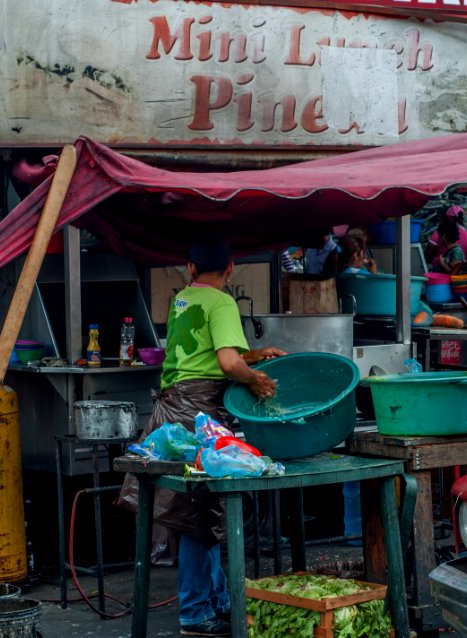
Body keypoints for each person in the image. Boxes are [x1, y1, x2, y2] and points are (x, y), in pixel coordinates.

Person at [118, 234, 285, 637]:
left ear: (190, 269)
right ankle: (196, 613)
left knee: (200, 511)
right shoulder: (222, 302)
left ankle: (218, 603)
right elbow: (226, 364)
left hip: (173, 410)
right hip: (199, 414)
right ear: (230, 268)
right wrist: (256, 379)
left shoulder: (183, 299)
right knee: (198, 515)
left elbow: (204, 358)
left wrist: (253, 355)